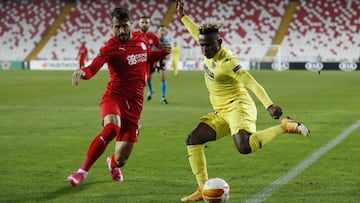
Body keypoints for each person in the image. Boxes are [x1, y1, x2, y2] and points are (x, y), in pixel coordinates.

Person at [175, 0, 310, 201]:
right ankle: (202, 188)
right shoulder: (206, 45)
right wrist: (182, 17)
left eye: (209, 45)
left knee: (244, 147)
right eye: (202, 45)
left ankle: (285, 127)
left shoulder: (228, 62)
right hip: (221, 111)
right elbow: (195, 31)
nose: (204, 50)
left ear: (219, 43)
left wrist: (269, 105)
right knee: (193, 139)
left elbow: (252, 83)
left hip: (239, 107)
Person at [67, 7, 170, 186]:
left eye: (124, 26)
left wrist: (162, 52)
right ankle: (81, 172)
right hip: (114, 96)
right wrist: (82, 72)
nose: (121, 31)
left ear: (130, 24)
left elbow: (143, 57)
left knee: (121, 159)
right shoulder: (110, 47)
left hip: (136, 103)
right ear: (112, 27)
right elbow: (93, 67)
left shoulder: (141, 38)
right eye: (117, 27)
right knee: (111, 128)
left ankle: (113, 165)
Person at [133, 16, 162, 102]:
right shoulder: (134, 36)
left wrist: (156, 59)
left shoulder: (152, 36)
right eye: (143, 22)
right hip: (137, 63)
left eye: (146, 23)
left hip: (148, 63)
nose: (144, 24)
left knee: (146, 80)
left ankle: (143, 94)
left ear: (149, 24)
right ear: (139, 24)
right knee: (139, 81)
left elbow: (160, 47)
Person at [154, 24, 171, 104]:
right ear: (157, 32)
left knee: (163, 78)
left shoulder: (167, 41)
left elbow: (168, 54)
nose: (162, 32)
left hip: (161, 60)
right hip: (152, 59)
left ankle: (163, 98)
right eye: (161, 30)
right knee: (146, 79)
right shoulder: (154, 40)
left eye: (164, 30)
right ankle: (151, 90)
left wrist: (165, 58)